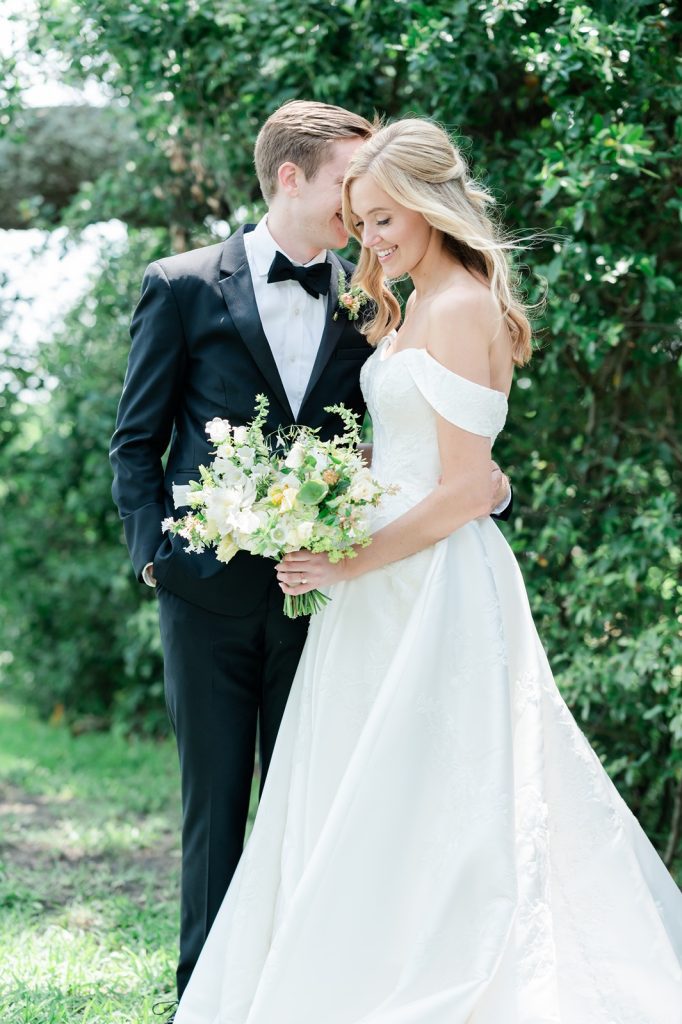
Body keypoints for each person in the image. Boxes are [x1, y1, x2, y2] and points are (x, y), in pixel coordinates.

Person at [173, 118, 682, 1024]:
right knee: (367, 789)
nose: (368, 240)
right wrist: (323, 505)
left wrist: (344, 560)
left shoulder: (459, 306)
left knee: (442, 787)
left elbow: (460, 491)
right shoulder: (414, 306)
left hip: (429, 583)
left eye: (381, 221)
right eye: (361, 222)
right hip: (379, 585)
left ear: (427, 203)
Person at [109, 101, 512, 1017]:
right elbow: (134, 443)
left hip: (331, 602)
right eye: (348, 192)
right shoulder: (180, 286)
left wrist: (487, 493)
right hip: (204, 596)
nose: (361, 214)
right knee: (215, 812)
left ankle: (309, 990)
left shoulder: (375, 302)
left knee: (320, 803)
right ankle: (203, 999)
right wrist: (155, 561)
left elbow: (433, 432)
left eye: (376, 204)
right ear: (292, 177)